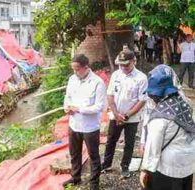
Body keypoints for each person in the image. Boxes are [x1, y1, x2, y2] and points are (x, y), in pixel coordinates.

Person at [140, 64, 195, 190]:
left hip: (168, 168)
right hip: (187, 163)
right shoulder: (185, 104)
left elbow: (153, 146)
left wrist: (146, 169)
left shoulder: (160, 116)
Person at [101, 49, 148, 178]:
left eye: (126, 64)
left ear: (134, 61)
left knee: (129, 142)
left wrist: (127, 115)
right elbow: (110, 95)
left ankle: (125, 166)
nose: (123, 67)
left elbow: (141, 100)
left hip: (132, 118)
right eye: (121, 64)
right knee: (111, 140)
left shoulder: (141, 78)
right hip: (115, 116)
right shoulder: (116, 75)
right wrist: (116, 114)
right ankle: (106, 164)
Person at [63, 54, 106, 190]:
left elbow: (99, 107)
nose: (75, 72)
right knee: (74, 153)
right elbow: (68, 97)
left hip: (90, 127)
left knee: (93, 156)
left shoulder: (98, 82)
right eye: (73, 69)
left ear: (86, 68)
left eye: (77, 69)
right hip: (74, 124)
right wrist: (67, 107)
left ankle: (94, 184)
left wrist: (79, 109)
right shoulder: (72, 79)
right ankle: (75, 177)